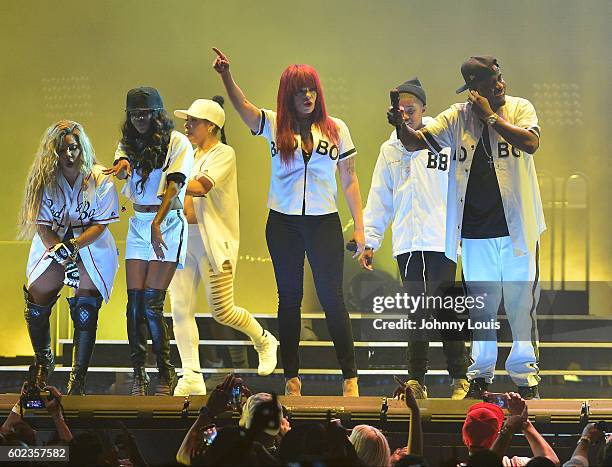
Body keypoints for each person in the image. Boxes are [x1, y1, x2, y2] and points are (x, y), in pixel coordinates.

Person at [388, 56, 545, 399]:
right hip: (474, 234)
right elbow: (416, 142)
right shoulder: (457, 117)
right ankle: (481, 376)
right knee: (481, 309)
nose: (500, 85)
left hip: (517, 229)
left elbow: (531, 143)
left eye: (499, 79)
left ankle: (525, 377)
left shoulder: (519, 108)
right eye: (491, 82)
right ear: (475, 90)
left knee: (520, 305)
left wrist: (491, 117)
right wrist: (401, 126)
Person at [212, 47, 363, 396]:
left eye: (311, 89)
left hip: (324, 221)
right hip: (283, 223)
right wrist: (226, 76)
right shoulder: (274, 124)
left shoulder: (337, 129)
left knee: (332, 298)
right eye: (299, 90)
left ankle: (350, 377)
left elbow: (350, 179)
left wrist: (359, 226)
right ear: (288, 95)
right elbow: (244, 107)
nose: (307, 96)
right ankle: (292, 378)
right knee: (289, 297)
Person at [360, 77, 469, 400]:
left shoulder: (444, 141)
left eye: (411, 108)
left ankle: (460, 376)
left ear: (424, 108)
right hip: (408, 243)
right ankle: (416, 379)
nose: (406, 114)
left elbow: (461, 188)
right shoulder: (390, 149)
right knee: (417, 309)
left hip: (442, 240)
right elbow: (380, 197)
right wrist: (371, 240)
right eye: (400, 109)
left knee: (445, 307)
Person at [169, 97, 278, 396]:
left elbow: (201, 187)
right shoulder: (188, 154)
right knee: (179, 308)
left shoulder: (223, 154)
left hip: (212, 241)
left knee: (222, 310)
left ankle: (264, 339)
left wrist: (163, 179)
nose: (187, 126)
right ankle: (191, 374)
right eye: (187, 121)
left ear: (212, 126)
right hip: (182, 239)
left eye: (193, 121)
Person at [104, 86, 194, 396]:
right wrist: (122, 167)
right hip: (139, 223)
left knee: (154, 305)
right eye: (134, 114)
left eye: (145, 114)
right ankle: (139, 373)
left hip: (166, 223)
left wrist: (157, 223)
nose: (140, 119)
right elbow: (120, 166)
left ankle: (165, 375)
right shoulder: (128, 142)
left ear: (157, 114)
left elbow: (174, 185)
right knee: (134, 304)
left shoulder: (178, 143)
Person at [19, 120, 119, 394]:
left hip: (91, 244)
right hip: (53, 244)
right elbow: (42, 226)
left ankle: (78, 380)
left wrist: (74, 247)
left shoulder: (101, 177)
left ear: (81, 146)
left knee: (85, 299)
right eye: (62, 150)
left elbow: (101, 224)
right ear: (52, 152)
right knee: (37, 293)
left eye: (73, 148)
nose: (69, 155)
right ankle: (43, 363)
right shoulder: (43, 180)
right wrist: (61, 254)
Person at [462, 395, 559, 466]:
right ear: (497, 436)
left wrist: (507, 431)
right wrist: (524, 423)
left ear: (464, 439)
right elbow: (550, 463)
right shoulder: (516, 464)